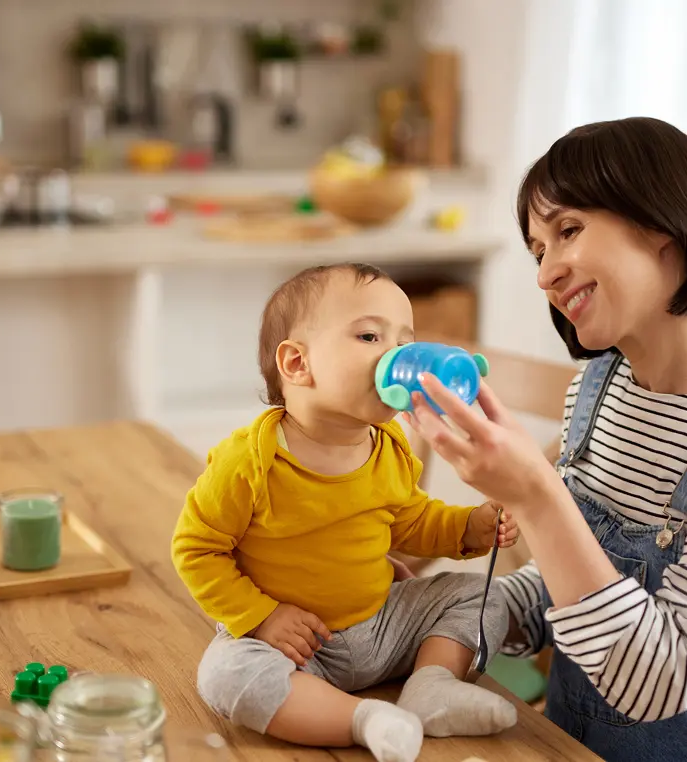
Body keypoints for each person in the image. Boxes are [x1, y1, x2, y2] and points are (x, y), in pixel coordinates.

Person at [403, 117, 687, 762]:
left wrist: (535, 493)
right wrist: (420, 609)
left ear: (664, 221)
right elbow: (573, 586)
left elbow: (658, 679)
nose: (544, 275)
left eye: (568, 231)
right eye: (538, 251)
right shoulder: (601, 388)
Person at [171, 263, 520, 762]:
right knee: (224, 674)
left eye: (405, 339)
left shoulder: (389, 445)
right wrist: (263, 617)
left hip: (383, 624)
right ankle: (362, 719)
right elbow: (196, 549)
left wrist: (470, 526)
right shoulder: (249, 461)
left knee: (478, 595)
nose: (397, 355)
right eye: (370, 335)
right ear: (297, 365)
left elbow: (411, 521)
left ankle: (430, 686)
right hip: (296, 647)